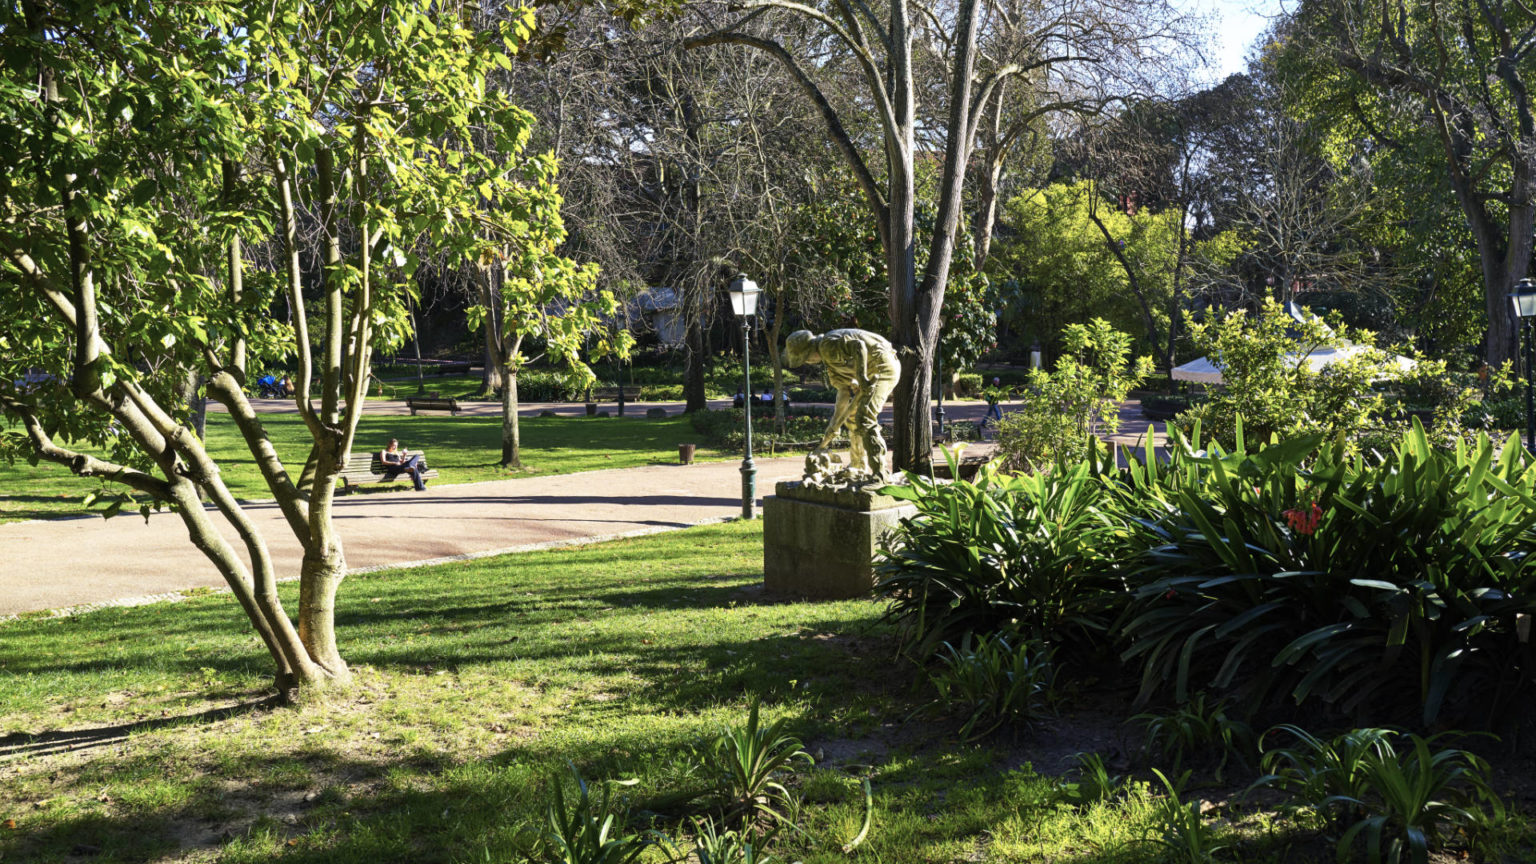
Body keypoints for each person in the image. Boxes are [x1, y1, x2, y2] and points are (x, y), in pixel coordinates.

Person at [785, 328, 900, 481]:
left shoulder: (826, 345)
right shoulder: (830, 363)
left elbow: (858, 346)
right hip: (875, 370)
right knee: (852, 418)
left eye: (805, 358)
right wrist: (833, 427)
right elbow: (843, 394)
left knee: (865, 418)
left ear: (810, 351)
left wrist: (861, 377)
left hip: (883, 368)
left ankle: (881, 474)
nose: (808, 362)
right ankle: (858, 465)